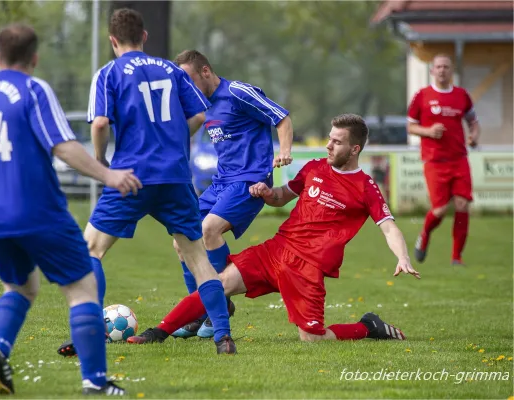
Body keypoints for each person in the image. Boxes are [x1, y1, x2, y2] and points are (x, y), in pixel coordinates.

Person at [0, 23, 139, 395]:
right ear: (34, 58)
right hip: (37, 210)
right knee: (82, 289)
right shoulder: (33, 90)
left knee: (20, 288)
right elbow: (63, 146)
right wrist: (109, 175)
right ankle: (95, 383)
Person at [127, 114, 420, 345]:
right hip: (277, 250)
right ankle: (159, 332)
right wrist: (266, 192)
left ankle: (367, 327)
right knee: (219, 283)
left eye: (337, 142)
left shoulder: (365, 187)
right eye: (329, 139)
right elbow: (282, 196)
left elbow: (388, 227)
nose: (329, 146)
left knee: (313, 339)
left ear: (354, 149)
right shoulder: (314, 168)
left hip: (308, 267)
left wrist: (403, 257)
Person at [57, 8, 235, 357]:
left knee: (91, 250)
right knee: (198, 259)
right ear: (145, 37)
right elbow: (199, 114)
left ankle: (88, 335)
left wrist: (102, 163)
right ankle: (223, 337)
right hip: (174, 177)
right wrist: (171, 141)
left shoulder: (109, 72)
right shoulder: (172, 69)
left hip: (129, 176)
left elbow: (99, 124)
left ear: (112, 40)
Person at [169, 50, 294, 339]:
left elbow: (282, 118)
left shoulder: (237, 92)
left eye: (188, 78)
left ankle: (217, 308)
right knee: (182, 239)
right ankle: (202, 309)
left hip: (250, 181)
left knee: (209, 229)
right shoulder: (199, 107)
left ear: (205, 71)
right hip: (222, 181)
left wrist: (284, 150)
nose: (185, 86)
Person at [407, 54, 480, 266]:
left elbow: (474, 122)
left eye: (446, 67)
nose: (442, 70)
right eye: (438, 67)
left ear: (451, 70)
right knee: (439, 209)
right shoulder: (422, 96)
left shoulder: (461, 96)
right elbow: (411, 126)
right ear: (432, 70)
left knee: (462, 204)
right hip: (434, 161)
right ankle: (425, 234)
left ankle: (456, 257)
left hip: (459, 159)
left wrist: (474, 136)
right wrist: (428, 131)